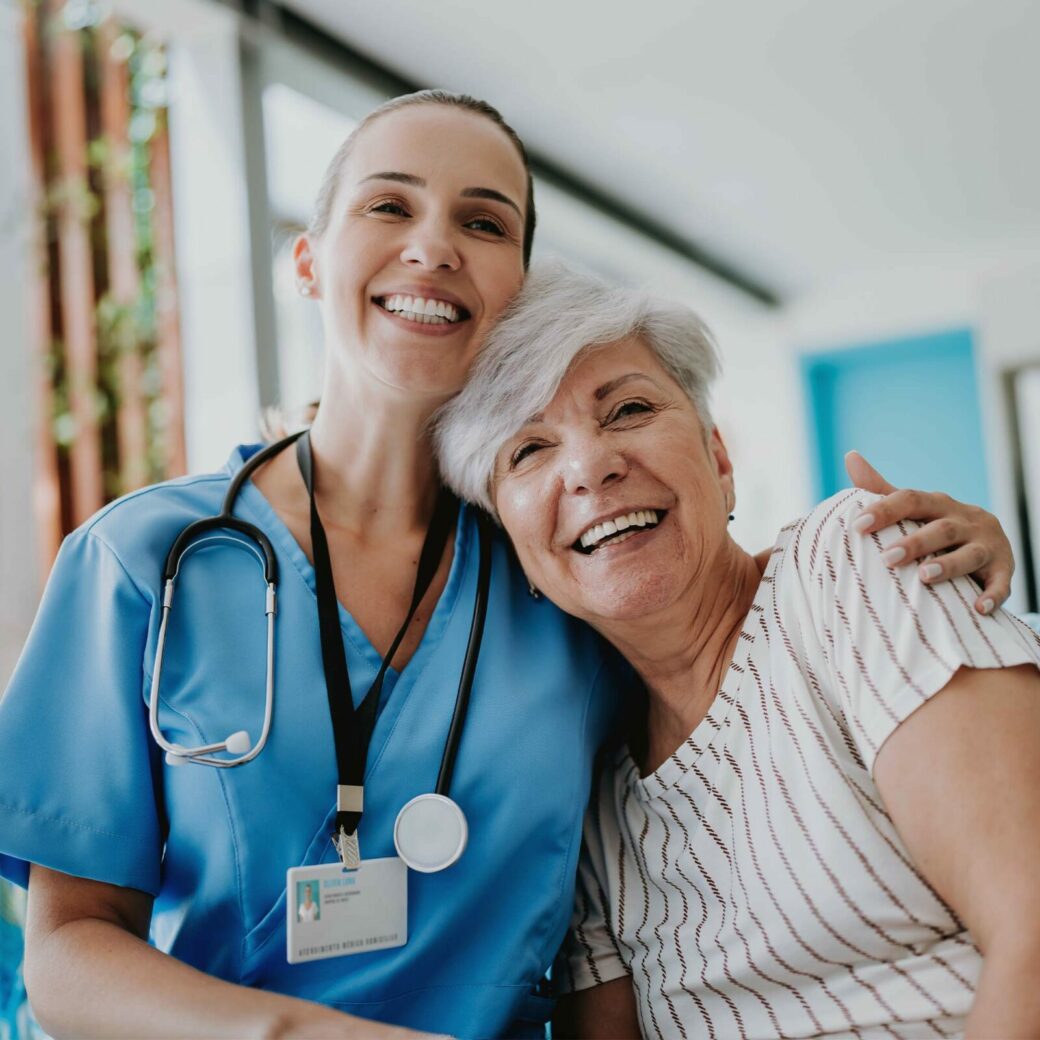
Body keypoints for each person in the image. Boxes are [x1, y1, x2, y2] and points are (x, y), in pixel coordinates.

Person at [0, 92, 1016, 1040]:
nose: (433, 245)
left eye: (483, 223)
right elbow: (66, 950)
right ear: (308, 262)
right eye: (388, 205)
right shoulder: (145, 562)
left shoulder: (549, 566)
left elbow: (732, 633)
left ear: (514, 285)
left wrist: (926, 555)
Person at [434, 259, 1040, 1039]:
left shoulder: (848, 566)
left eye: (627, 409)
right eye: (528, 451)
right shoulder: (587, 790)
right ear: (510, 544)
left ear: (719, 461)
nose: (591, 465)